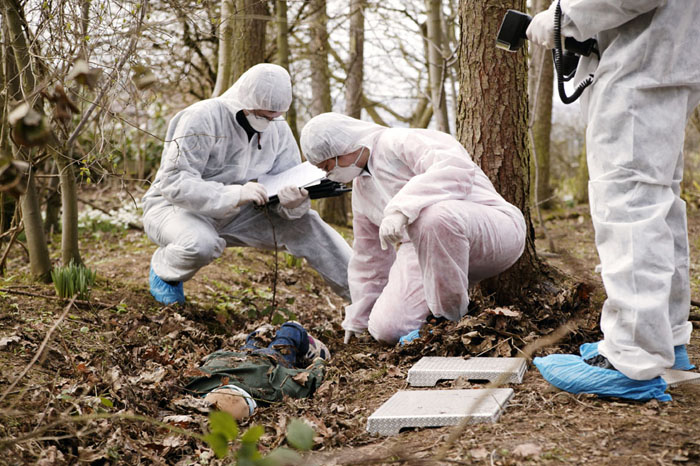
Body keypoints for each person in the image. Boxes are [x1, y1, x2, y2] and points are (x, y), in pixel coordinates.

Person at [527, 1, 700, 401]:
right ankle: (666, 341)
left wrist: (562, 16)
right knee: (657, 204)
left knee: (630, 208)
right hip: (663, 56)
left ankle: (632, 359)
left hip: (641, 63)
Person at [299, 112, 527, 344]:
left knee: (432, 218)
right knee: (387, 328)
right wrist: (358, 318)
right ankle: (437, 319)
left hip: (491, 228)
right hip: (428, 250)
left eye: (329, 165)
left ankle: (454, 322)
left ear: (345, 145)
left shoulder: (397, 141)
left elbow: (455, 167)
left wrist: (402, 208)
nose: (330, 174)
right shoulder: (361, 191)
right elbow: (369, 259)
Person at [142, 64, 352, 305]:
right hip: (175, 209)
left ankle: (365, 299)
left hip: (240, 213)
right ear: (244, 100)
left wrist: (293, 204)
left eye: (275, 116)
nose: (269, 122)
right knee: (200, 244)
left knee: (309, 224)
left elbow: (288, 179)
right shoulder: (202, 118)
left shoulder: (278, 129)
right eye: (263, 115)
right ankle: (165, 272)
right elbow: (175, 182)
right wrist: (235, 194)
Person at [185, 321, 329, 420]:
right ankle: (259, 335)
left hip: (271, 358)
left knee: (289, 334)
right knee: (254, 344)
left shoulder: (271, 390)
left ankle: (295, 333)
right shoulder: (200, 382)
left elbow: (308, 380)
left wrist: (318, 363)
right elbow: (218, 355)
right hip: (243, 356)